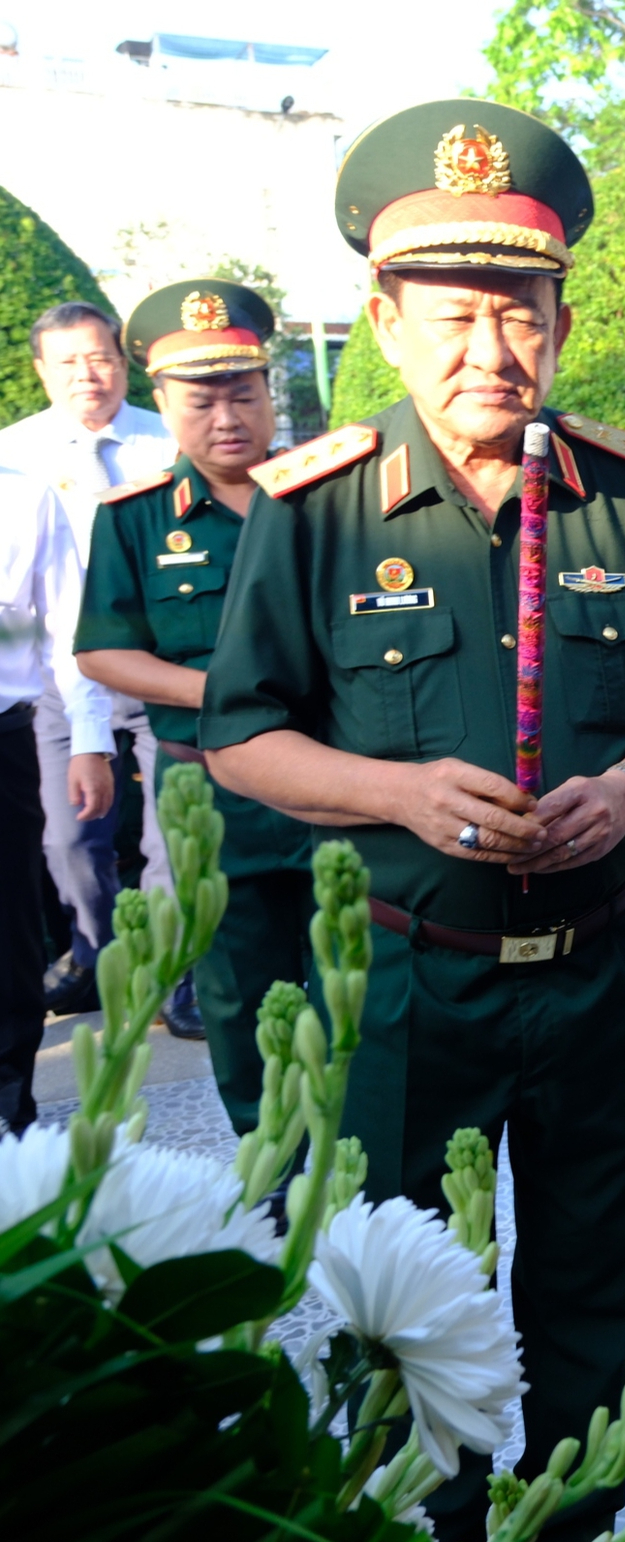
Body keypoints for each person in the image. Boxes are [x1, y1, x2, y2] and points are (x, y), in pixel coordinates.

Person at [198, 100, 625, 1542]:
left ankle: (571, 1526)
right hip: (408, 980)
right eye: (452, 317)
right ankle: (430, 1529)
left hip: (601, 972)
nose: (490, 352)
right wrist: (396, 792)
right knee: (413, 1307)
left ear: (563, 320)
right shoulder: (314, 510)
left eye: (521, 315)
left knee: (586, 1284)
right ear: (384, 321)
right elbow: (239, 736)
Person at [73, 279, 315, 1137]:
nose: (226, 418)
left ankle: (357, 1149)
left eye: (242, 393)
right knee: (238, 987)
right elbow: (102, 647)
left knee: (355, 971)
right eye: (200, 398)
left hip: (333, 781)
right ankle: (269, 1158)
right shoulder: (136, 520)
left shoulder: (325, 500)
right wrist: (221, 689)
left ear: (266, 391)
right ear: (163, 403)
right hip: (210, 793)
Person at [0, 302, 180, 1028]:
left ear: (123, 361)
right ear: (42, 370)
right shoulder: (13, 456)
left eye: (99, 357)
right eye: (67, 361)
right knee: (68, 836)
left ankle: (174, 970)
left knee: (173, 824)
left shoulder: (168, 441)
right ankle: (98, 958)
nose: (87, 374)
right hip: (54, 673)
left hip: (159, 660)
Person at [0, 467, 107, 1131]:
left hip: (2, 734)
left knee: (8, 934)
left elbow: (67, 627)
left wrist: (89, 739)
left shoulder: (21, 494)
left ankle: (11, 1115)